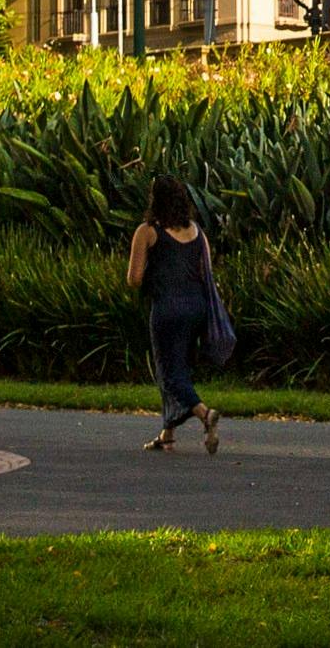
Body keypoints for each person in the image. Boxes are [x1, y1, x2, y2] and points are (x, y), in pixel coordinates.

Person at [124, 174, 221, 454]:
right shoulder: (196, 232)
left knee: (168, 372)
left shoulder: (148, 231)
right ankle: (167, 434)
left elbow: (134, 278)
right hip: (196, 307)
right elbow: (206, 272)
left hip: (168, 308)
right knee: (179, 366)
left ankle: (206, 414)